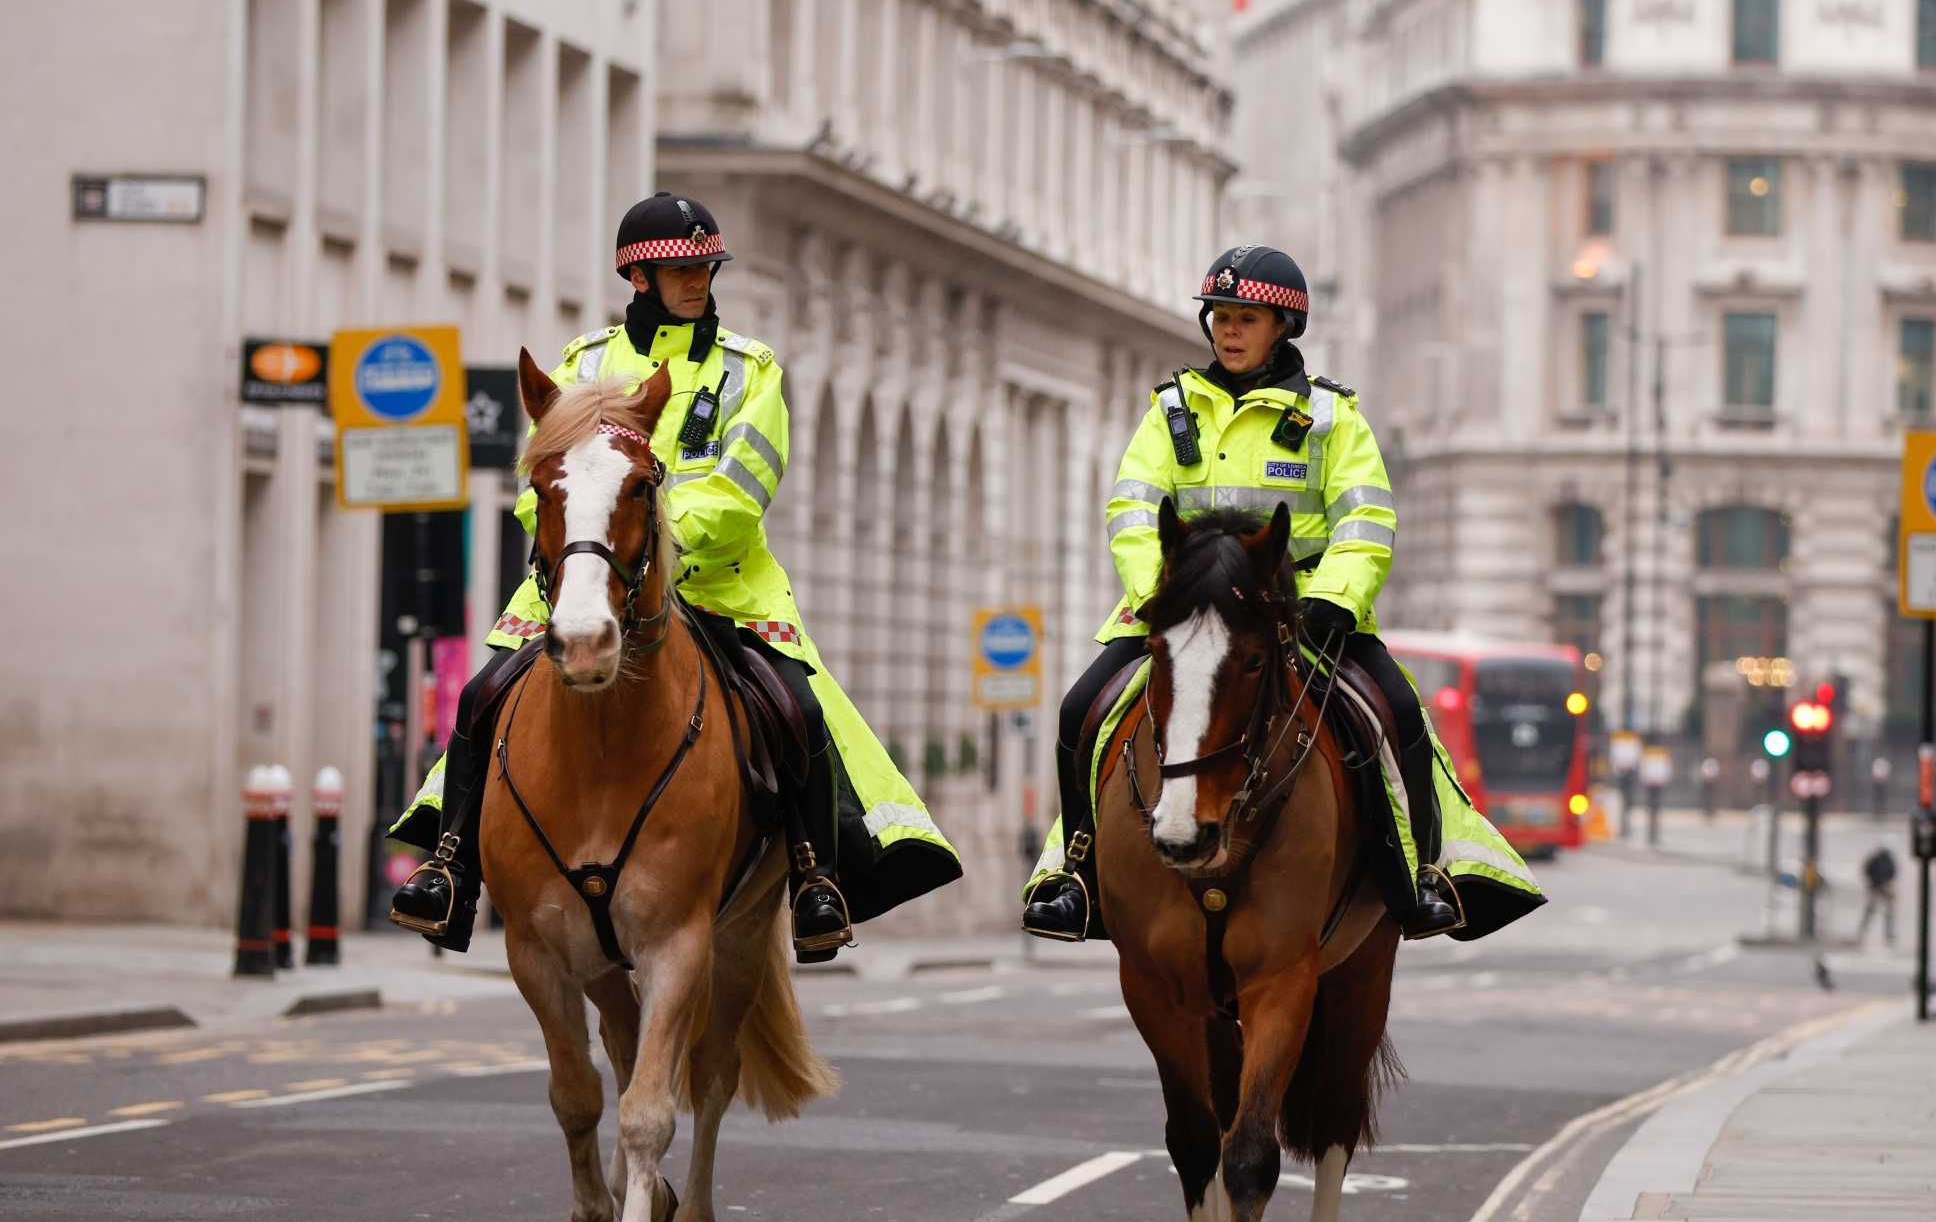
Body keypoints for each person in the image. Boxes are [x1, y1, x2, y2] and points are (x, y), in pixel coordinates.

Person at [385, 193, 962, 959]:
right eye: (680, 268)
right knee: (482, 693)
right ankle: (450, 866)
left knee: (796, 707)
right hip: (584, 578)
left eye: (704, 266)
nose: (697, 280)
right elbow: (543, 489)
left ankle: (816, 877)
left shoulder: (748, 372)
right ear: (638, 279)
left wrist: (658, 546)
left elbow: (741, 490)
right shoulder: (583, 364)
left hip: (720, 584)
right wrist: (585, 554)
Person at [1021, 245, 1492, 942]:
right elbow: (1130, 510)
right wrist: (1164, 594)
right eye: (1220, 317)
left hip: (1300, 614)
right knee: (1079, 709)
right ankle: (1076, 874)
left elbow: (1365, 517)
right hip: (1183, 614)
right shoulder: (1171, 410)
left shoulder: (1331, 418)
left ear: (1283, 328)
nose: (1229, 332)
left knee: (1398, 712)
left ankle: (1419, 873)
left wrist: (1336, 596)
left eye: (1246, 318)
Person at [1855, 842, 1899, 947]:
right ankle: (1863, 932)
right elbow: (1867, 870)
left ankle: (1889, 934)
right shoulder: (1876, 860)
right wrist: (1873, 882)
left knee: (1889, 912)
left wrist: (1887, 884)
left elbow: (1893, 873)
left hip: (1883, 886)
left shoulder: (1889, 860)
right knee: (1870, 911)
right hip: (1875, 887)